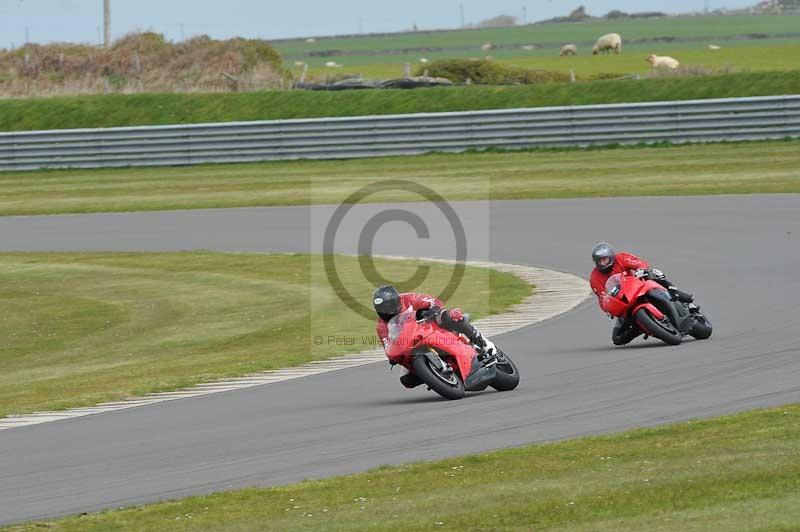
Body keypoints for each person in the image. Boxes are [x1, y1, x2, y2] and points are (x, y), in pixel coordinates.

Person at [373, 285, 497, 388]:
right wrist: (392, 356)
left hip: (430, 326)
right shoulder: (381, 326)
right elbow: (388, 346)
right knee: (406, 379)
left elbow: (431, 301)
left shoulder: (409, 298)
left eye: (388, 307)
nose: (386, 311)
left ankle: (482, 342)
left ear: (396, 301)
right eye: (382, 309)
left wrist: (433, 309)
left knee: (449, 315)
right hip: (412, 343)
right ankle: (436, 375)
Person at [589, 242, 695, 345]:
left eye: (604, 259)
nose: (602, 263)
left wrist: (641, 269)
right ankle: (640, 327)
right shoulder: (595, 278)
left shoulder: (621, 258)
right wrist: (609, 307)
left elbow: (639, 263)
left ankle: (676, 293)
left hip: (637, 287)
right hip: (623, 302)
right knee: (617, 339)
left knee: (652, 275)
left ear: (611, 257)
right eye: (599, 261)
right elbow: (602, 299)